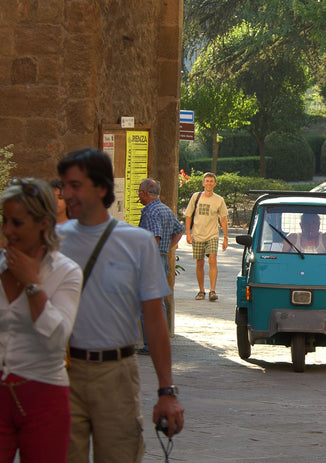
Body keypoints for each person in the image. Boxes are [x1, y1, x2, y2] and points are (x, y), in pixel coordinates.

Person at [57, 148, 184, 462]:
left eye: (75, 185)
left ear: (101, 188)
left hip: (116, 375)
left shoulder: (135, 242)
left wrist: (166, 391)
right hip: (62, 374)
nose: (66, 193)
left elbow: (154, 320)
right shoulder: (53, 240)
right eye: (64, 186)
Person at [0, 178, 82, 463]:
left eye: (17, 223)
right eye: (4, 220)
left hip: (43, 395)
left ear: (43, 224)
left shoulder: (66, 272)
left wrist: (33, 285)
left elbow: (57, 340)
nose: (7, 230)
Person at [137, 177, 185, 354]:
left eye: (139, 192)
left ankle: (151, 344)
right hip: (162, 258)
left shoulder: (149, 212)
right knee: (158, 303)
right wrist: (166, 248)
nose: (139, 196)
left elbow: (154, 237)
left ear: (144, 193)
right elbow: (179, 231)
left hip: (152, 260)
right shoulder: (165, 209)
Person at [184, 172, 228, 302]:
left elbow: (223, 219)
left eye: (211, 181)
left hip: (212, 235)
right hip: (197, 234)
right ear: (203, 183)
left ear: (214, 184)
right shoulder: (196, 197)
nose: (209, 183)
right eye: (207, 181)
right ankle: (201, 290)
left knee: (212, 260)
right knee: (200, 262)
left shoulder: (219, 200)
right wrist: (188, 233)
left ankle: (212, 290)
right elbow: (188, 215)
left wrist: (226, 238)